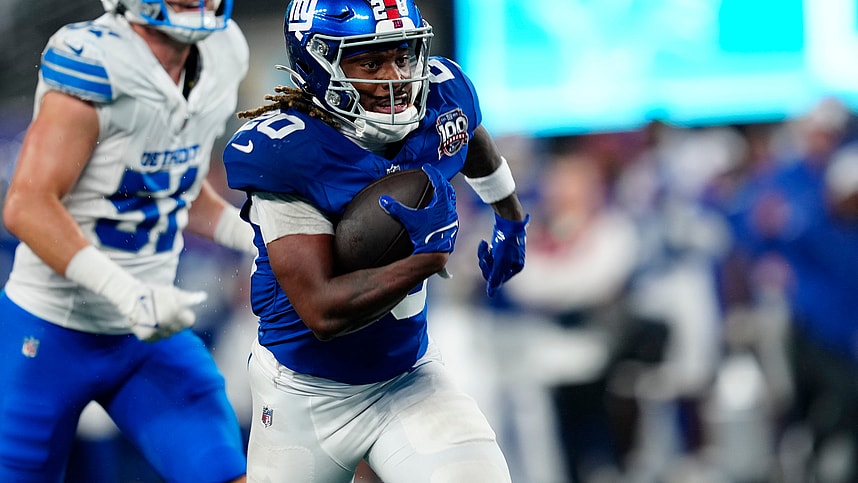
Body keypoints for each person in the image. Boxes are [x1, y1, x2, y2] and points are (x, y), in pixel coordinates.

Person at [222, 1, 529, 481]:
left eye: (403, 56)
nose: (397, 77)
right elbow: (322, 312)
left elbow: (469, 139)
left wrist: (510, 216)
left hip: (409, 377)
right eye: (371, 62)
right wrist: (426, 259)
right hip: (304, 396)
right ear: (319, 63)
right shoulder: (288, 152)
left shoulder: (440, 98)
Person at [0, 1, 253, 481]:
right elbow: (27, 205)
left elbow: (168, 179)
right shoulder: (93, 58)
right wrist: (128, 293)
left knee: (226, 473)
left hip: (147, 336)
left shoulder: (224, 50)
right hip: (49, 327)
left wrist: (246, 234)